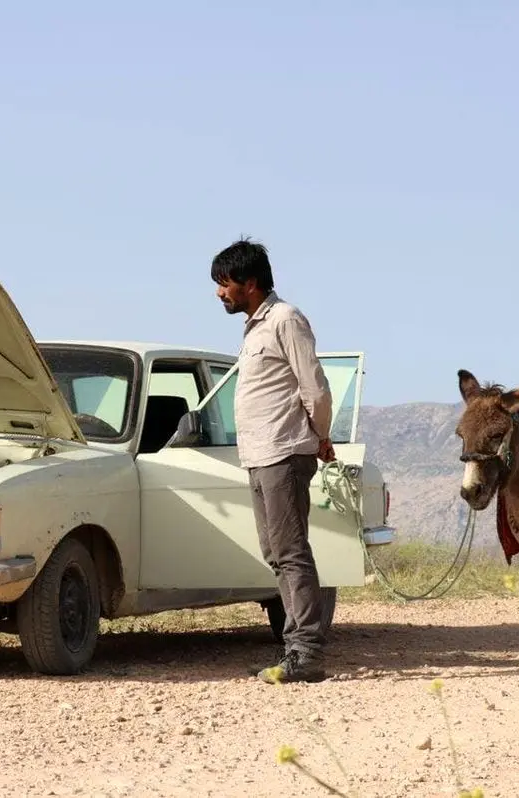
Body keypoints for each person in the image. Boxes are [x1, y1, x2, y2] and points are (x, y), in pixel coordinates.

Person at [211, 237, 335, 684]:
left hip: (285, 450)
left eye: (225, 284)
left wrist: (321, 437)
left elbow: (314, 387)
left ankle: (306, 653)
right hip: (261, 454)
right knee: (276, 552)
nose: (219, 293)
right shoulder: (254, 328)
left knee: (290, 551)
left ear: (250, 282)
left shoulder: (285, 319)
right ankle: (297, 650)